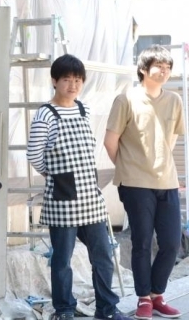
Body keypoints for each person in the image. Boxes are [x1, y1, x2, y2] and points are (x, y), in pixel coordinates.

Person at [26, 54, 129, 320]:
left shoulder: (84, 109)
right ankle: (64, 310)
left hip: (89, 196)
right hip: (62, 198)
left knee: (103, 254)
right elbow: (35, 155)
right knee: (62, 260)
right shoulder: (45, 114)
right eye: (66, 80)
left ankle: (106, 308)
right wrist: (57, 176)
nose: (72, 85)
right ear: (54, 81)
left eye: (77, 80)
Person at [105, 45, 184, 320]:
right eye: (158, 66)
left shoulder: (174, 100)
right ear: (143, 69)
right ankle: (144, 299)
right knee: (141, 242)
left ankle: (156, 293)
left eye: (168, 67)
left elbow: (170, 139)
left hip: (168, 181)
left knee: (172, 242)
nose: (164, 71)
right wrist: (129, 170)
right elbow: (110, 141)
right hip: (135, 183)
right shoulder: (125, 99)